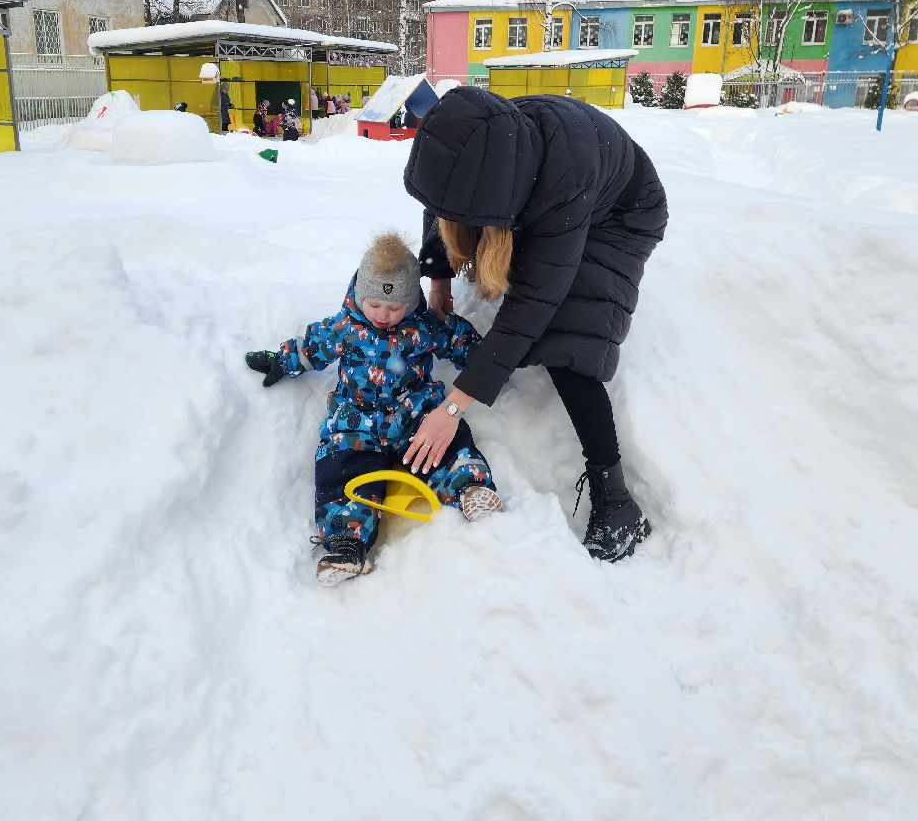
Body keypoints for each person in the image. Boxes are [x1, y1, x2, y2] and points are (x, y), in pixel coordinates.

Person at [401, 86, 668, 562]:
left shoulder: (560, 183)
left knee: (568, 336)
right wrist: (438, 280)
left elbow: (531, 309)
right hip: (554, 194)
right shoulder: (480, 144)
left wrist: (452, 409)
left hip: (620, 216)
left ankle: (618, 500)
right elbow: (443, 202)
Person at [245, 231, 503, 584]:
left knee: (447, 444)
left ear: (411, 302)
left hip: (414, 412)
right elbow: (310, 347)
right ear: (359, 294)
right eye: (375, 304)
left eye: (395, 307)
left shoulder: (425, 327)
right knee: (341, 467)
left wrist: (481, 355)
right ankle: (346, 544)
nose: (384, 314)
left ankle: (471, 488)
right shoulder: (345, 327)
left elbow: (459, 340)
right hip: (357, 421)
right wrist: (280, 360)